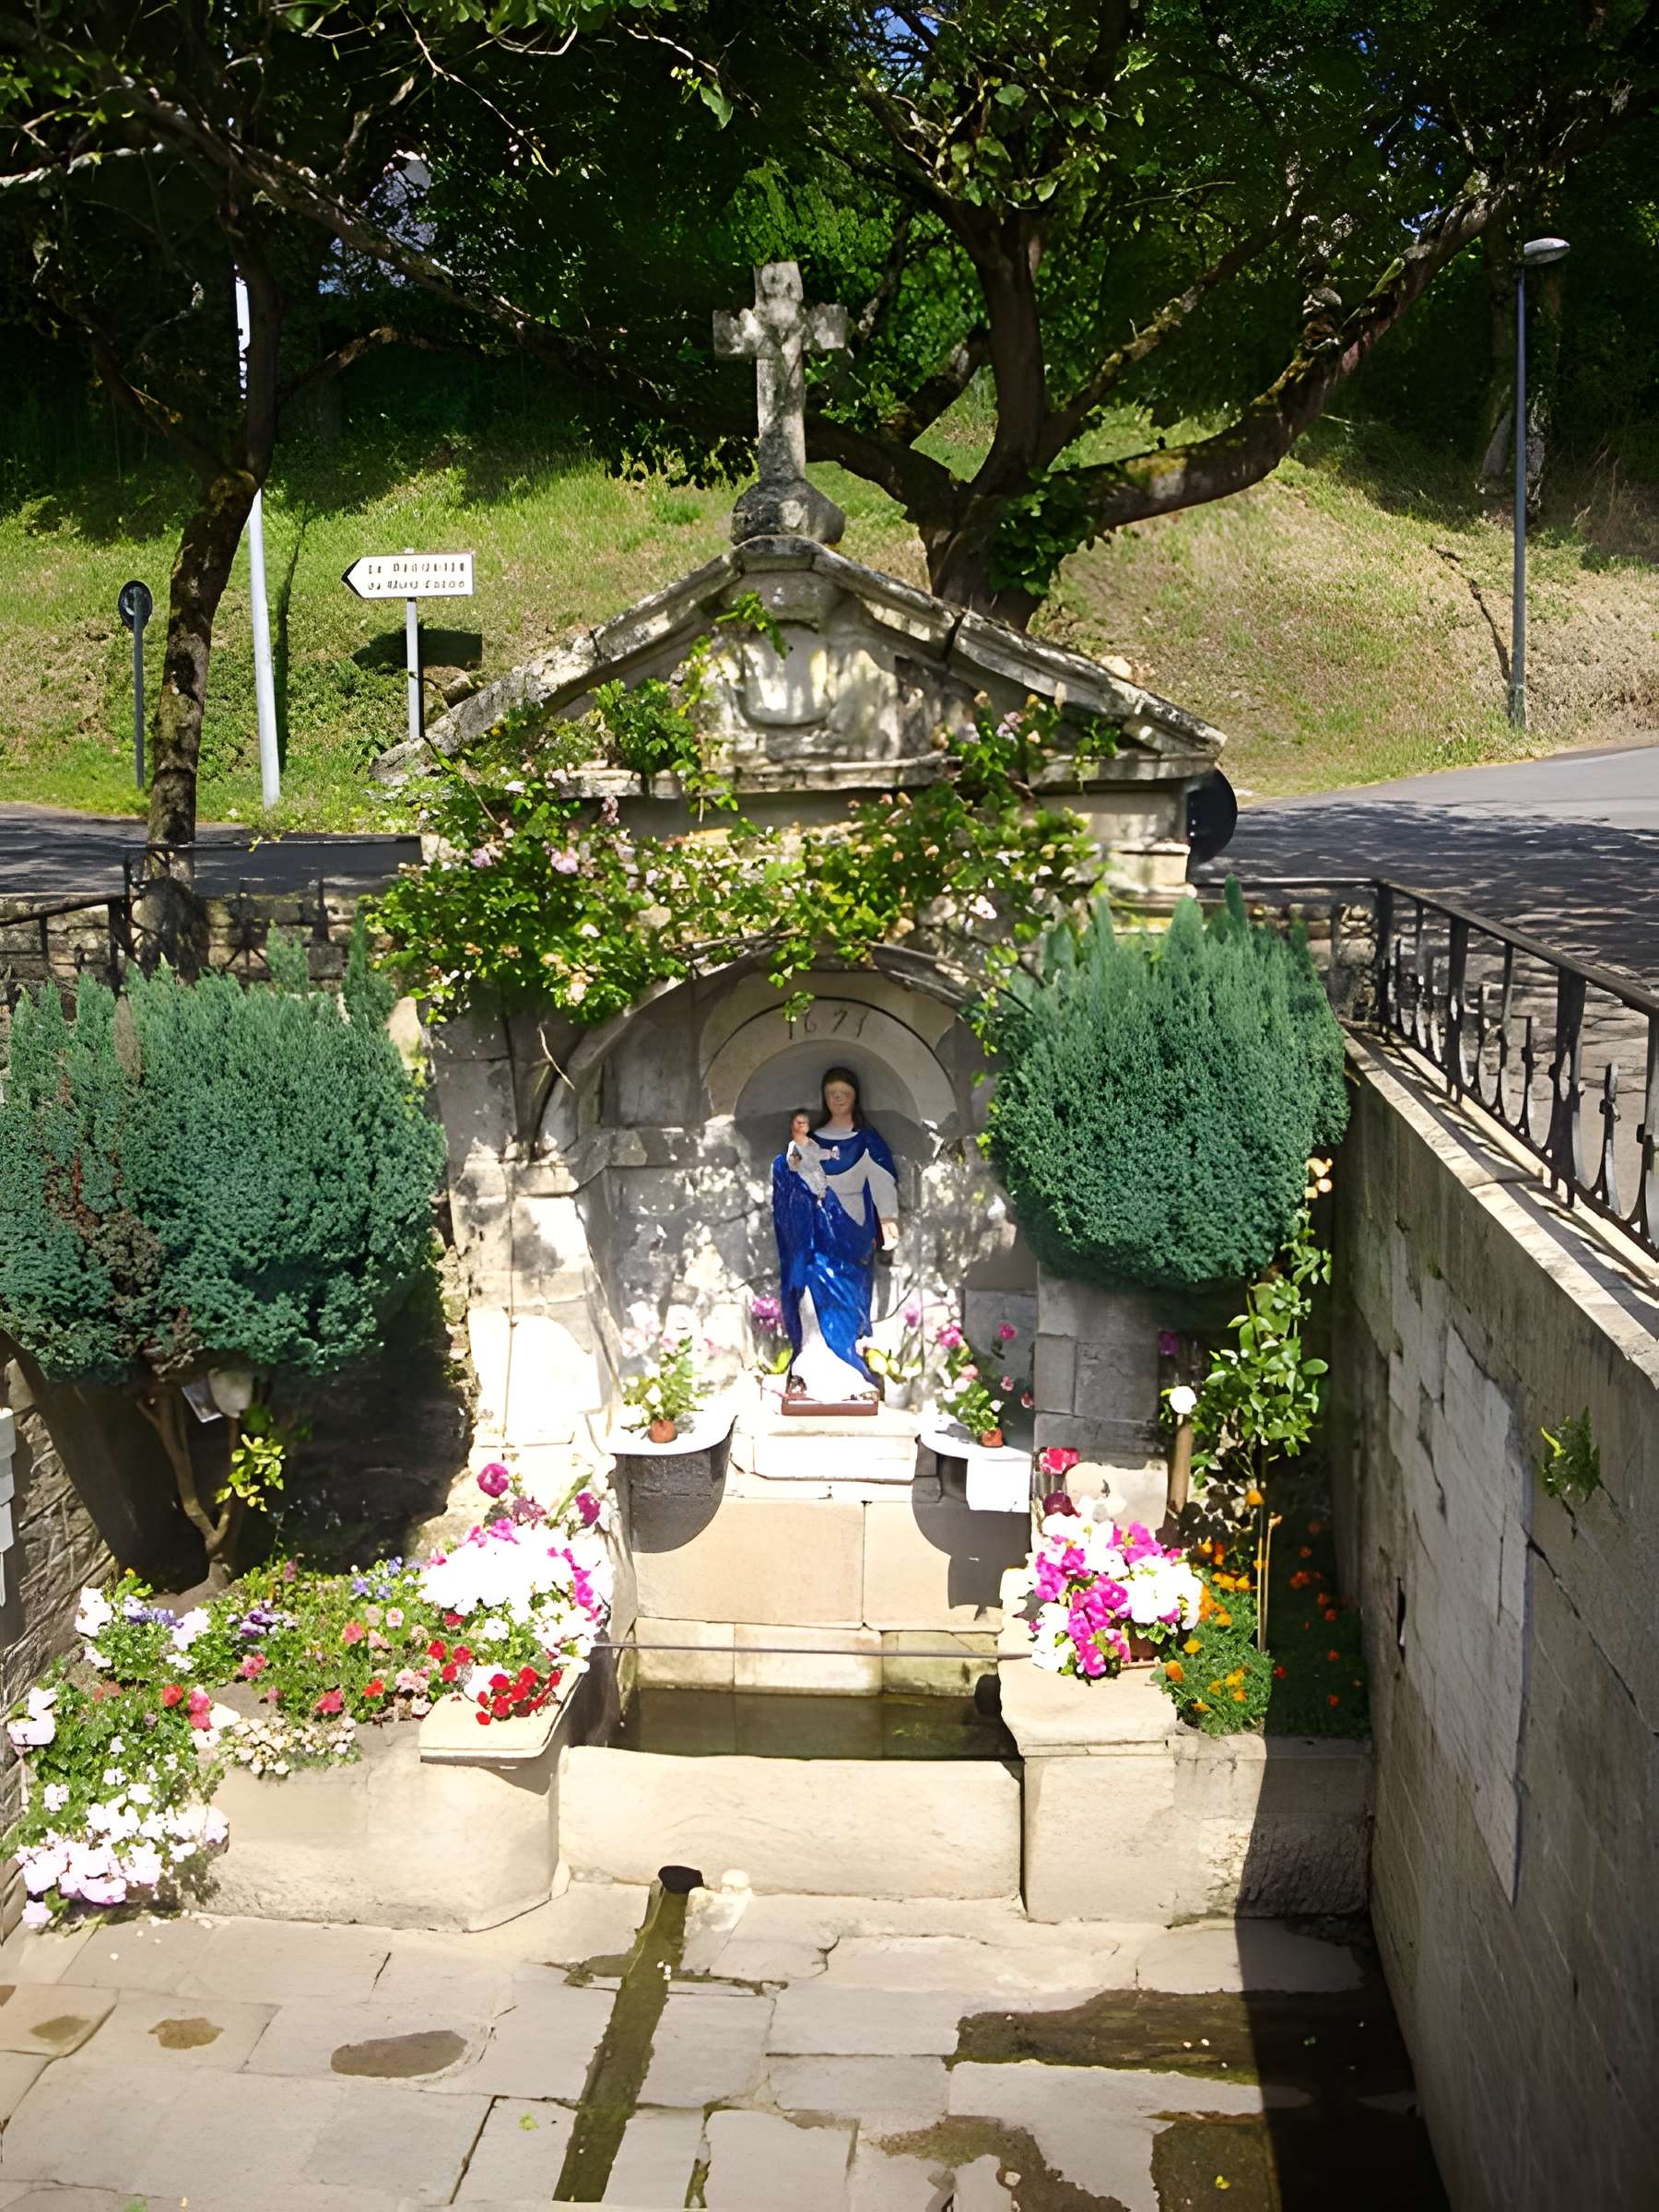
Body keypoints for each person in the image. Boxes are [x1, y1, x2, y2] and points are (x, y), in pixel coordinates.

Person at [771, 1066, 900, 1402]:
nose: (838, 1099)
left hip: (852, 1231)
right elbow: (793, 1172)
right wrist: (787, 1165)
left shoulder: (866, 1139)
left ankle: (852, 1371)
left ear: (855, 1096)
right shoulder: (813, 1141)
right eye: (832, 1094)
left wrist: (888, 1218)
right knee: (811, 1293)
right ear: (824, 1099)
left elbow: (883, 1179)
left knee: (849, 1301)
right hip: (815, 1233)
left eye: (844, 1093)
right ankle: (811, 1366)